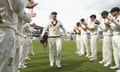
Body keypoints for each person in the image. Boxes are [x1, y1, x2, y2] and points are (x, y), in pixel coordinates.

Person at [0, 0, 31, 72]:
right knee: (7, 66)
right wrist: (27, 3)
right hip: (7, 30)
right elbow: (17, 7)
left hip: (7, 30)